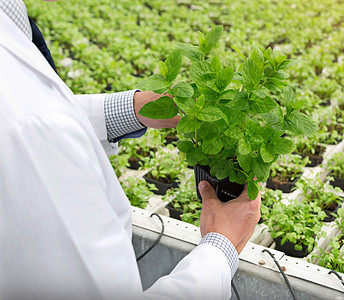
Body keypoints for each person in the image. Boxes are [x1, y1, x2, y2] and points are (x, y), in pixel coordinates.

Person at [0, 1, 261, 299]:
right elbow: (32, 122)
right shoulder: (27, 134)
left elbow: (39, 106)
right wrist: (221, 248)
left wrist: (131, 109)